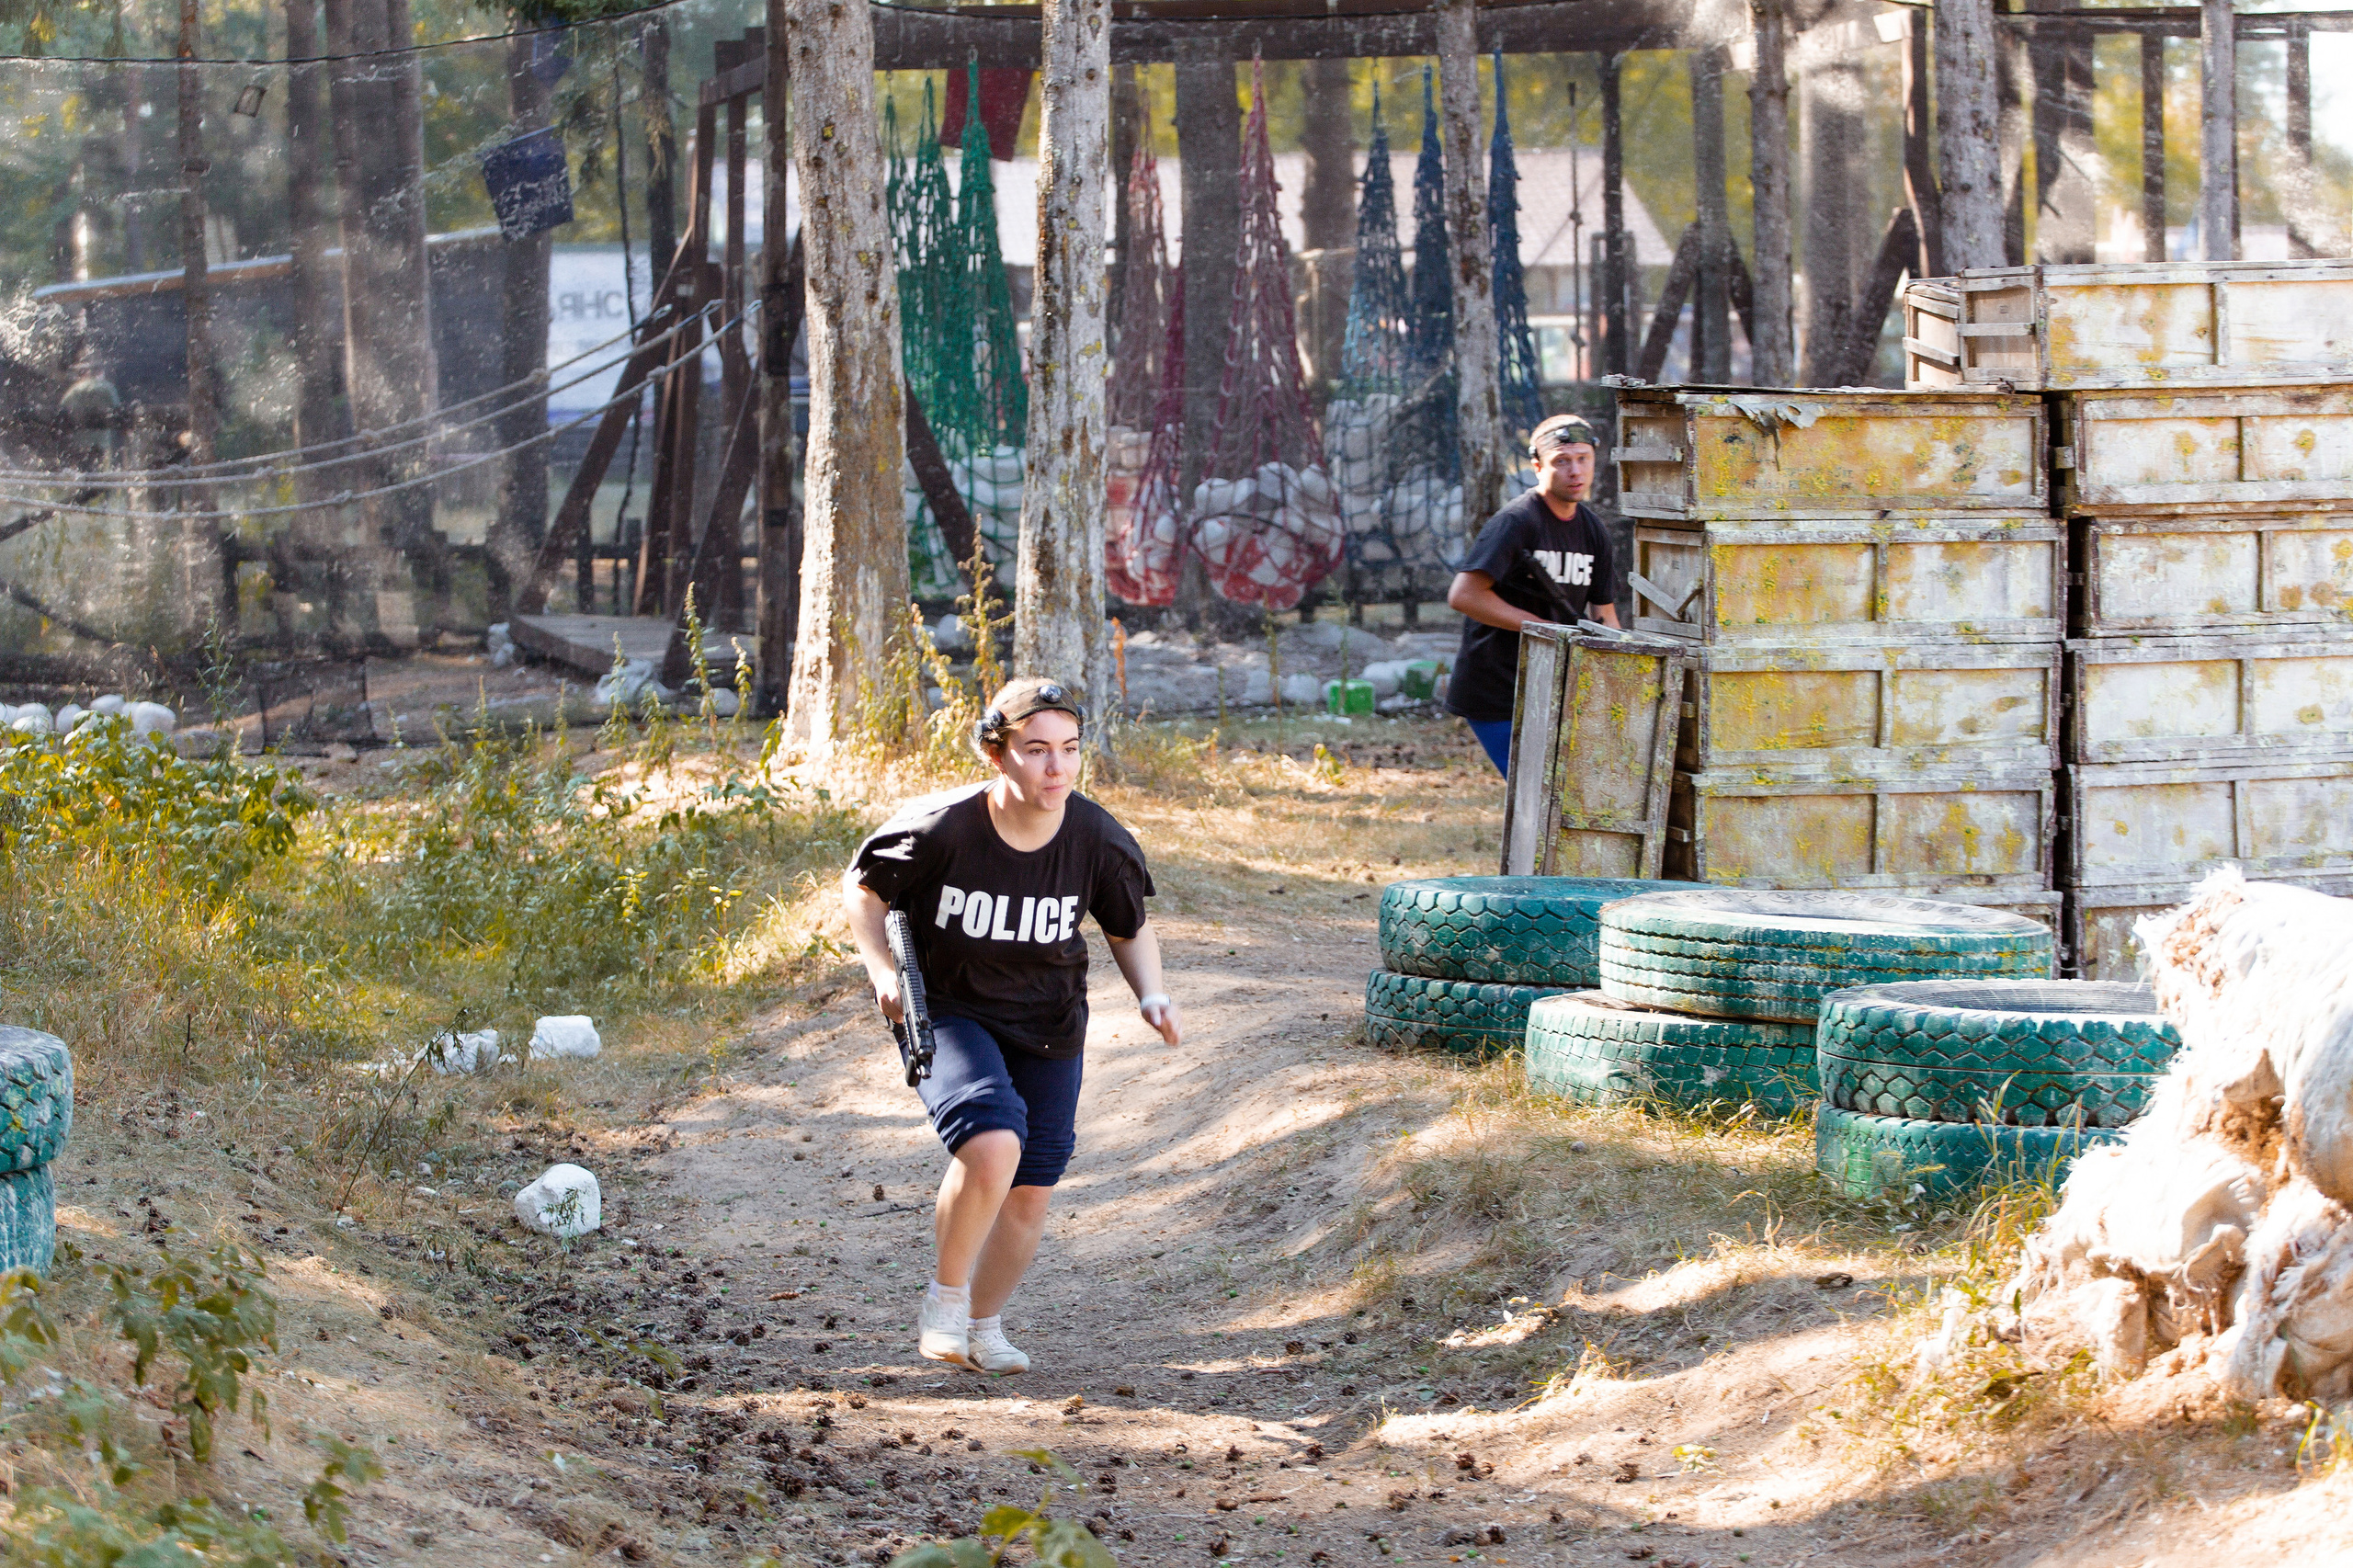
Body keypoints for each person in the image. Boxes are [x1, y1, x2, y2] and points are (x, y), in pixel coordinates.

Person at [841, 677, 1182, 1375]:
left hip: (1050, 1023)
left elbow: (1128, 928)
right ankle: (944, 1302)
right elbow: (865, 887)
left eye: (1069, 749)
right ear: (997, 754)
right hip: (949, 1008)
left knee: (1031, 1187)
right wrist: (881, 971)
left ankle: (983, 1324)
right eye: (1035, 750)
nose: (1055, 768)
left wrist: (1152, 995)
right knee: (993, 1144)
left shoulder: (1097, 837)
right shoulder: (944, 827)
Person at [1442, 413, 1623, 775]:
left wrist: (1617, 681)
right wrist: (1544, 628)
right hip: (1497, 689)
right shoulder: (1517, 521)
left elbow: (1605, 615)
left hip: (1551, 687)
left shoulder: (1592, 530)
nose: (1575, 471)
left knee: (1563, 797)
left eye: (1583, 459)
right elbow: (1464, 595)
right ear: (1538, 467)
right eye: (1562, 462)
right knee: (1539, 795)